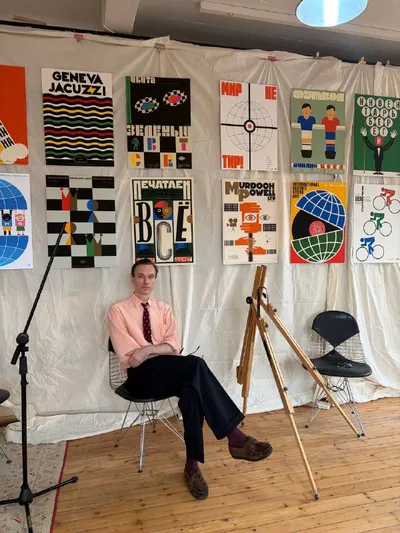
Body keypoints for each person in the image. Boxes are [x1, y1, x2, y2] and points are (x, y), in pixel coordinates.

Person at [108, 259, 273, 500]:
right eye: (141, 276)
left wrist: (147, 349)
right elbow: (128, 356)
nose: (146, 281)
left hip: (168, 370)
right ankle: (235, 437)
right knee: (196, 365)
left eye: (150, 276)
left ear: (155, 280)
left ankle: (192, 466)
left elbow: (174, 346)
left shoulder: (163, 309)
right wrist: (154, 351)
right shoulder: (118, 310)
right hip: (140, 378)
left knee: (192, 390)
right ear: (132, 279)